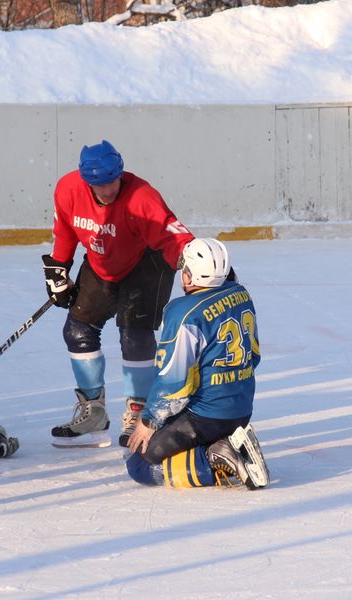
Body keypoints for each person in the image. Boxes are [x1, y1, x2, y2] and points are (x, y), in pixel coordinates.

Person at [43, 139, 195, 447]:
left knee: (134, 335)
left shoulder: (142, 197)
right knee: (77, 330)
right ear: (86, 180)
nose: (108, 189)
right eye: (99, 185)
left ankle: (140, 412)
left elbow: (172, 235)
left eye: (112, 181)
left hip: (146, 262)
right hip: (102, 262)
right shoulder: (68, 189)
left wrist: (194, 263)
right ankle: (93, 411)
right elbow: (65, 230)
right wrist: (59, 268)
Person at [125, 238, 269, 489]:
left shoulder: (183, 312)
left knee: (139, 466)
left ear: (189, 275)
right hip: (242, 409)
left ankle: (216, 457)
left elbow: (174, 383)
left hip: (206, 416)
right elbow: (253, 356)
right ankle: (223, 446)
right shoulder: (240, 294)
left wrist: (149, 421)